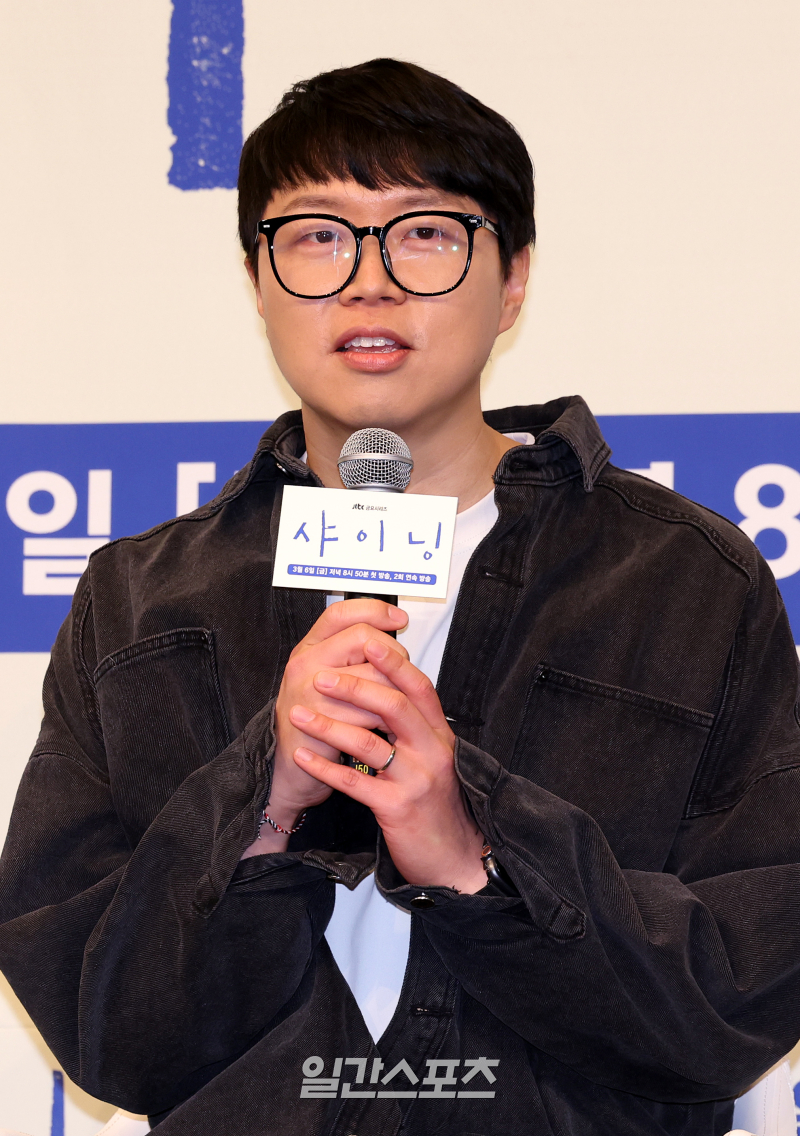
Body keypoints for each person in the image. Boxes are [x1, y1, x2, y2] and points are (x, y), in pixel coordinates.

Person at [1, 57, 799, 1136]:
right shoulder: (141, 601)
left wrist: (476, 854)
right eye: (317, 235)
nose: (367, 281)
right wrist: (263, 798)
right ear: (257, 280)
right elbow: (108, 1034)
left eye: (424, 232)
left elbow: (737, 993)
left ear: (512, 278)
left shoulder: (685, 582)